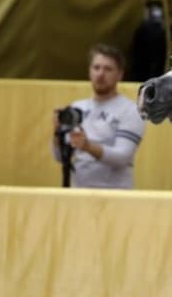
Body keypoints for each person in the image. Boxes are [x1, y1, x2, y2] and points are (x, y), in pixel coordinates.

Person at [51, 44, 146, 189]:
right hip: (79, 195)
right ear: (89, 71)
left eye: (108, 69)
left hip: (115, 197)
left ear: (120, 75)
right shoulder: (77, 108)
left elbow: (122, 157)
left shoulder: (130, 110)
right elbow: (60, 157)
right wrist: (57, 133)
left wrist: (88, 146)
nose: (100, 74)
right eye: (96, 68)